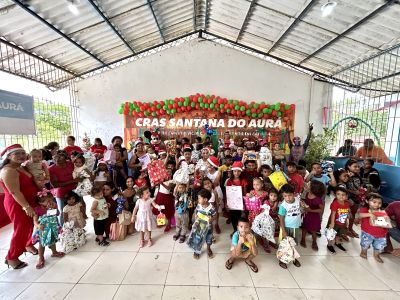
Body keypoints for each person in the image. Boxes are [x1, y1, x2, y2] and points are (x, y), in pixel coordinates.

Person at [0, 144, 39, 269]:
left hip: (30, 201)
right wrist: (26, 207)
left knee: (31, 224)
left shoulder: (21, 167)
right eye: (17, 154)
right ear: (9, 156)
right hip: (18, 204)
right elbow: (15, 192)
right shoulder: (8, 170)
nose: (21, 156)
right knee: (21, 228)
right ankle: (12, 257)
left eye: (23, 153)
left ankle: (28, 244)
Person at [32, 189, 65, 269]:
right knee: (41, 244)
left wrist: (54, 208)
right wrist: (38, 226)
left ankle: (54, 252)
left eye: (50, 200)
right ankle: (41, 257)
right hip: (43, 229)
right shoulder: (38, 209)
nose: (49, 202)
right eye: (46, 201)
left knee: (52, 240)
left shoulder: (53, 205)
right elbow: (35, 221)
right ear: (40, 202)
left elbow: (58, 213)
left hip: (52, 227)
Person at [49, 150, 78, 225]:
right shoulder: (51, 169)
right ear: (54, 161)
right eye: (58, 163)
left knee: (76, 209)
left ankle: (77, 227)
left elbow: (77, 174)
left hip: (74, 190)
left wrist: (77, 182)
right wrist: (72, 181)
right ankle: (63, 229)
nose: (62, 165)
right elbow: (55, 185)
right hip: (61, 191)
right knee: (62, 211)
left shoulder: (70, 164)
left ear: (66, 160)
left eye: (63, 162)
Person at [187, 189, 216, 259]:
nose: (198, 200)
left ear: (205, 199)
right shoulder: (199, 205)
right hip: (199, 226)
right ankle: (197, 250)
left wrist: (211, 219)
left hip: (208, 228)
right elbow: (196, 212)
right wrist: (196, 216)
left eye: (199, 198)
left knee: (209, 239)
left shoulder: (212, 208)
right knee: (198, 238)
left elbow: (215, 216)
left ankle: (208, 249)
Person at [359, 193, 388, 263]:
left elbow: (386, 221)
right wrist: (370, 214)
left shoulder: (382, 212)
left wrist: (386, 221)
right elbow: (361, 215)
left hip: (381, 234)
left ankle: (376, 255)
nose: (377, 204)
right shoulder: (365, 209)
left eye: (379, 203)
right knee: (365, 243)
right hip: (367, 232)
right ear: (367, 201)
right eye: (374, 202)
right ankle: (363, 252)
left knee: (379, 246)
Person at [278, 184, 302, 269]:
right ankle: (281, 260)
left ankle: (293, 258)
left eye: (290, 195)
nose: (288, 198)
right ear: (283, 196)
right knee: (284, 245)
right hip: (286, 227)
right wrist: (283, 230)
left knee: (292, 243)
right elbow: (281, 218)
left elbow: (301, 208)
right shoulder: (283, 206)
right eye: (285, 196)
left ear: (294, 194)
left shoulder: (297, 200)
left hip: (295, 227)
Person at [301, 181, 326, 251]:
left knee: (314, 231)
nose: (307, 185)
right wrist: (303, 204)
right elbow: (305, 201)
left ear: (313, 189)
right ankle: (303, 239)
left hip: (314, 217)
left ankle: (314, 242)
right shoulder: (307, 193)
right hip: (307, 215)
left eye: (309, 184)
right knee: (304, 227)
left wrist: (310, 210)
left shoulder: (317, 199)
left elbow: (321, 210)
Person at [225, 161, 247, 235]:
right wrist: (226, 203)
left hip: (240, 203)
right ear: (232, 171)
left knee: (240, 217)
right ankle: (235, 230)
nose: (236, 173)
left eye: (238, 171)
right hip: (232, 203)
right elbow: (227, 194)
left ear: (241, 172)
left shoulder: (243, 181)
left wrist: (244, 203)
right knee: (233, 217)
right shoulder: (229, 181)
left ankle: (241, 231)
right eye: (235, 171)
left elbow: (244, 193)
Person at [327, 187, 351, 254]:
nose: (341, 196)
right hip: (334, 222)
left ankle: (337, 243)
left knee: (339, 234)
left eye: (343, 195)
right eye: (338, 194)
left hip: (342, 223)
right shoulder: (335, 203)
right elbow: (333, 214)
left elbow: (347, 211)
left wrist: (347, 220)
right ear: (335, 195)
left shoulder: (347, 203)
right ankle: (329, 245)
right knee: (331, 234)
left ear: (346, 196)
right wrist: (332, 223)